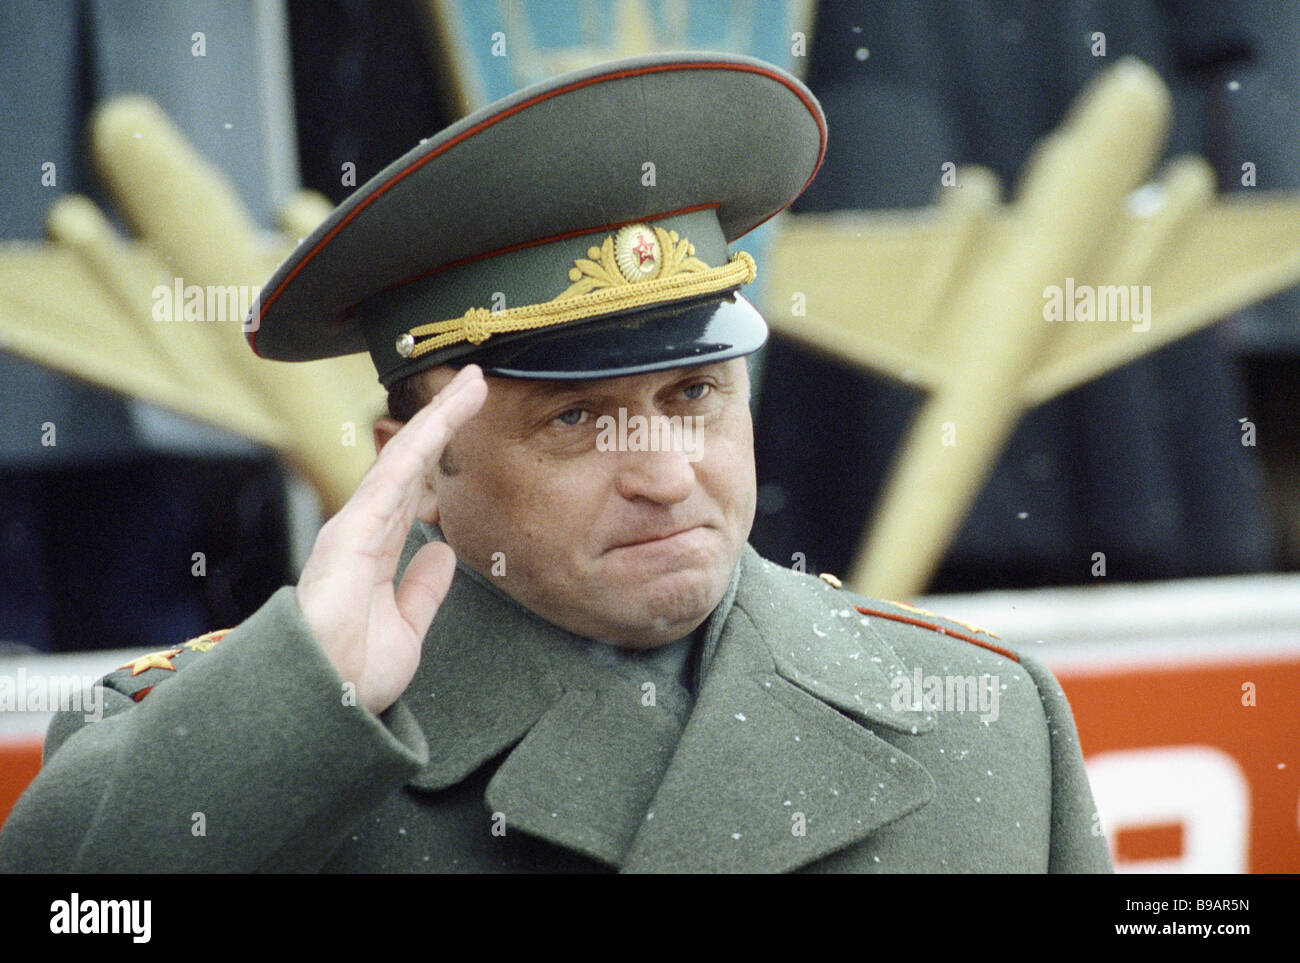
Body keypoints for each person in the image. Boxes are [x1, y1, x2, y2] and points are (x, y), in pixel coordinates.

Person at [0, 51, 1111, 873]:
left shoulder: (989, 721)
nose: (665, 473)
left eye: (695, 394)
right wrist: (293, 710)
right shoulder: (271, 741)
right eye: (576, 419)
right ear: (418, 470)